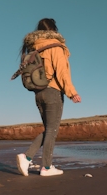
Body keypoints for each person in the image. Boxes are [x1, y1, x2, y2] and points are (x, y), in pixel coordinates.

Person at [16, 18, 81, 177]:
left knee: (49, 130)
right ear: (54, 30)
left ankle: (36, 161)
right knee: (52, 130)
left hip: (39, 94)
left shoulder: (34, 48)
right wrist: (72, 92)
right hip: (53, 92)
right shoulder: (56, 46)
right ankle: (42, 164)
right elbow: (62, 72)